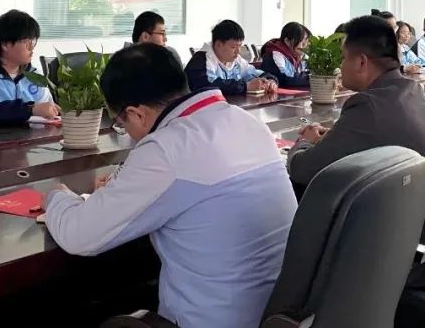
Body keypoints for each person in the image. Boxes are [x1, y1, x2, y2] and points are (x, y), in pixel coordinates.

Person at [44, 44, 296, 328]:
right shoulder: (245, 121)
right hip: (276, 316)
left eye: (120, 124)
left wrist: (57, 196)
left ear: (136, 114)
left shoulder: (167, 148)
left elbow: (79, 235)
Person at [288, 16, 425, 288]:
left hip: (422, 261)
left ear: (361, 62)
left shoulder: (369, 105)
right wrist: (333, 139)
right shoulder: (410, 92)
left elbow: (302, 169)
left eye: (343, 58)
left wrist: (304, 142)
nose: (339, 67)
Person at [186, 20, 277, 95]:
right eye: (233, 47)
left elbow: (254, 73)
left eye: (240, 46)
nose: (238, 52)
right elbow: (209, 86)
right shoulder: (202, 61)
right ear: (218, 44)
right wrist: (246, 86)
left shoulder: (236, 60)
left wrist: (269, 80)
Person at [260, 22, 311, 88]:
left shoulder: (299, 55)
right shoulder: (275, 54)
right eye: (301, 41)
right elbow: (286, 80)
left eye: (306, 40)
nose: (305, 45)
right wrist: (313, 78)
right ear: (287, 41)